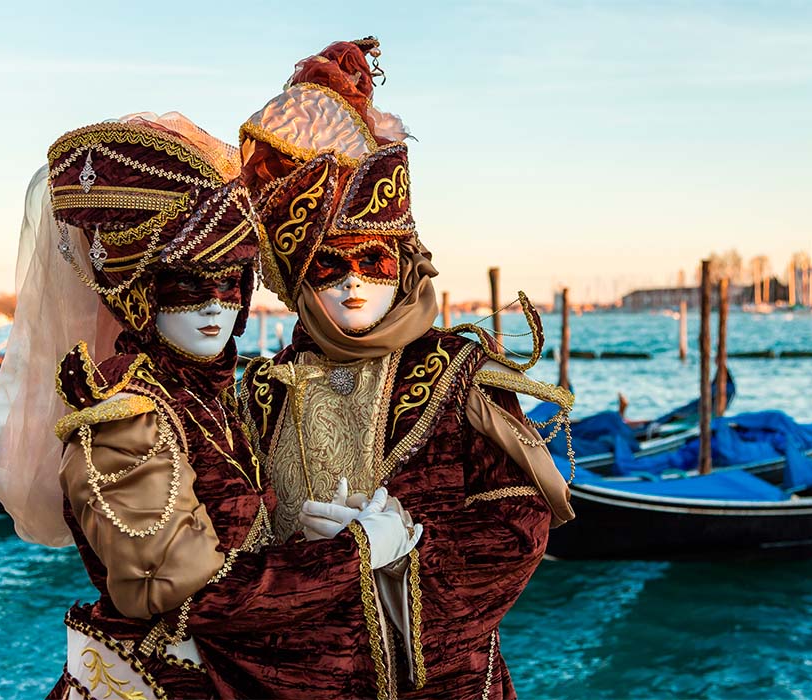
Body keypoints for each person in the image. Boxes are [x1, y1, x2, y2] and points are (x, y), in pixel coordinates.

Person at [0, 111, 420, 700]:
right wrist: (359, 554)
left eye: (230, 283)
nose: (215, 307)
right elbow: (187, 594)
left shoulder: (209, 399)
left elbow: (234, 542)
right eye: (187, 287)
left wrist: (311, 534)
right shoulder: (123, 419)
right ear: (141, 300)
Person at [237, 38, 577, 699]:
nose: (354, 283)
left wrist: (400, 558)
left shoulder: (457, 375)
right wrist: (301, 554)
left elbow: (516, 528)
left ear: (406, 263)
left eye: (375, 261)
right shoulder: (262, 392)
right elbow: (228, 547)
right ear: (299, 280)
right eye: (331, 266)